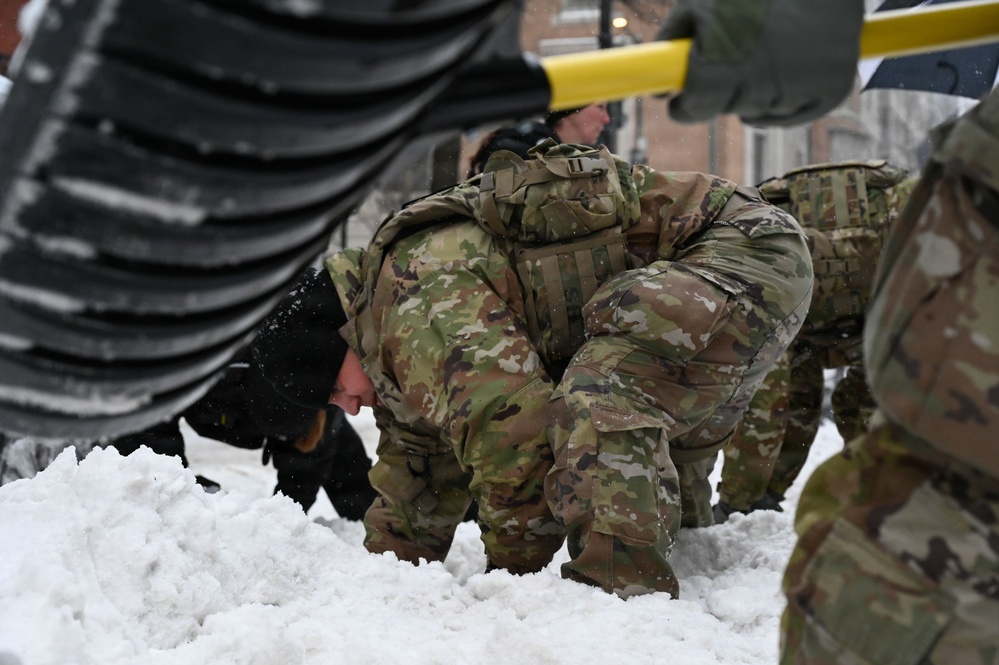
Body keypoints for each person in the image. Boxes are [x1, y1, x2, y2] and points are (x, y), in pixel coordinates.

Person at [251, 139, 813, 597]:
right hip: (722, 274)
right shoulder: (392, 337)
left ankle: (621, 610)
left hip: (743, 252)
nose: (348, 408)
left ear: (342, 340)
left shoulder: (417, 301)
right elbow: (417, 473)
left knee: (603, 396)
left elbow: (516, 448)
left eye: (334, 389)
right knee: (632, 402)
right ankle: (683, 550)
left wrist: (513, 590)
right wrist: (382, 588)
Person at [661, 0, 999, 661]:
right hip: (842, 316)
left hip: (884, 320)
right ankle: (749, 503)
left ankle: (752, 504)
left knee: (917, 501)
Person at [713, 163, 917, 523]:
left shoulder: (919, 215)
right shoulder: (917, 210)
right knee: (784, 401)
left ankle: (881, 498)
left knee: (863, 399)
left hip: (866, 323)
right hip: (788, 317)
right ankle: (743, 508)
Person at [104, 350, 377, 519]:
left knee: (341, 456)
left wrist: (283, 523)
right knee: (137, 456)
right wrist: (185, 493)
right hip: (210, 394)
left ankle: (374, 526)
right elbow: (151, 424)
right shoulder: (208, 371)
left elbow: (301, 480)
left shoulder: (320, 416)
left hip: (291, 417)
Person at [467, 103, 610, 176]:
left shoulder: (547, 153)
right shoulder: (522, 151)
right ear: (572, 111)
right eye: (600, 107)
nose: (606, 119)